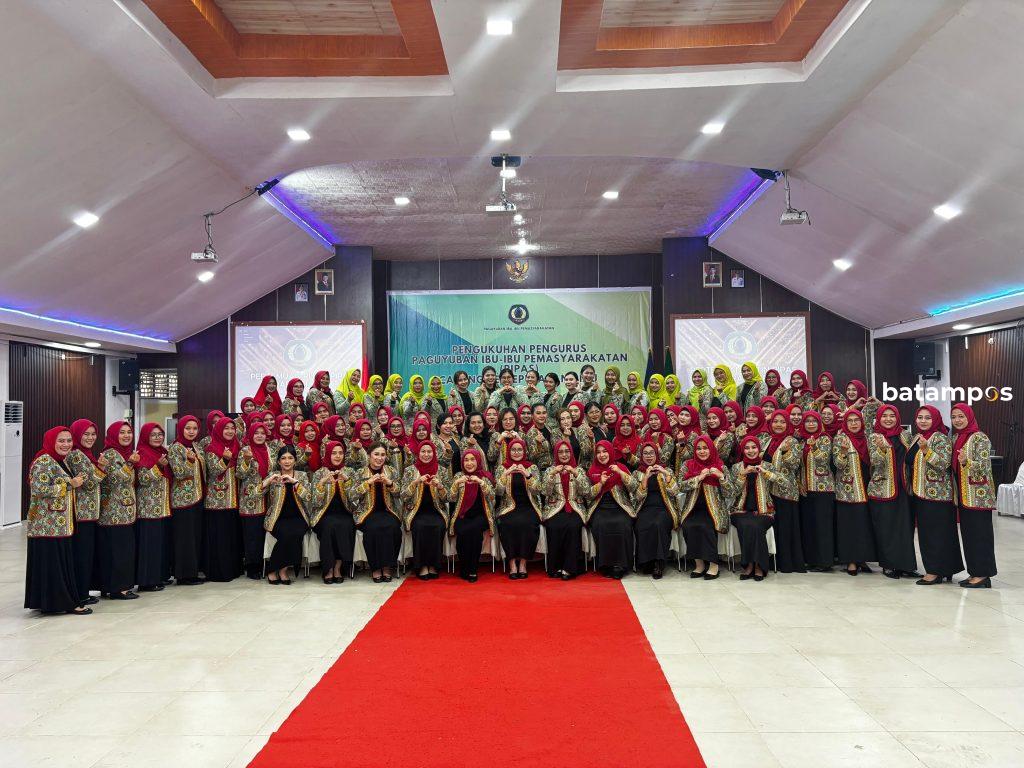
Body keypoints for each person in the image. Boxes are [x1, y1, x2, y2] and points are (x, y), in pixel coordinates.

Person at [24, 426, 92, 615]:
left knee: (58, 564)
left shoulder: (60, 460)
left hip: (58, 524)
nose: (66, 444)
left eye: (69, 440)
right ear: (51, 441)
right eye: (61, 441)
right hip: (47, 525)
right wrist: (70, 484)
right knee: (54, 564)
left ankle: (56, 602)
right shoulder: (44, 460)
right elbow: (39, 489)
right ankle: (62, 603)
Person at [904, 406, 962, 585]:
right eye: (920, 417)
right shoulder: (917, 437)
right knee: (928, 533)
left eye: (927, 418)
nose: (923, 421)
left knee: (935, 534)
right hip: (921, 493)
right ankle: (944, 569)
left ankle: (935, 571)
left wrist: (926, 450)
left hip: (938, 496)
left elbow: (944, 464)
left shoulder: (941, 438)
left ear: (935, 419)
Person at [867, 404, 919, 579]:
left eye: (892, 416)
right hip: (882, 488)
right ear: (879, 418)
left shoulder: (905, 435)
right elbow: (875, 461)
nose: (888, 419)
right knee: (886, 528)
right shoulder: (874, 436)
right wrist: (882, 449)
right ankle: (888, 565)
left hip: (904, 488)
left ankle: (906, 565)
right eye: (884, 416)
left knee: (905, 528)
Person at [950, 403, 997, 588]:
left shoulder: (979, 437)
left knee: (981, 536)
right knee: (969, 536)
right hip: (963, 496)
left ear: (969, 417)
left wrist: (966, 462)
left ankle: (983, 575)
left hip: (978, 497)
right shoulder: (956, 437)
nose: (957, 420)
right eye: (954, 417)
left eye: (961, 416)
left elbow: (984, 466)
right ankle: (974, 572)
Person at [65, 419, 106, 605]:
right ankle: (80, 593)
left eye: (93, 434)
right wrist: (101, 468)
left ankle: (84, 591)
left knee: (87, 554)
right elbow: (88, 484)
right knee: (82, 554)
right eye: (86, 434)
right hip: (82, 514)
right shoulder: (76, 455)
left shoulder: (85, 454)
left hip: (90, 513)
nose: (90, 438)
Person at [349, 443, 403, 583]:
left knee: (392, 528)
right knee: (374, 528)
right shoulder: (360, 472)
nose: (379, 458)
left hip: (389, 511)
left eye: (383, 455)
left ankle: (387, 566)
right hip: (366, 513)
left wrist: (390, 483)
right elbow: (351, 495)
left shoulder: (391, 471)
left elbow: (400, 493)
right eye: (376, 454)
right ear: (369, 455)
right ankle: (375, 568)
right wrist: (367, 483)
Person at [678, 434, 730, 579]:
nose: (702, 451)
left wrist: (722, 477)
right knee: (688, 525)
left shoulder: (720, 466)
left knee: (706, 526)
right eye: (699, 448)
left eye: (705, 448)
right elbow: (680, 486)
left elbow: (730, 492)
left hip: (714, 510)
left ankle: (713, 565)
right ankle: (699, 564)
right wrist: (698, 478)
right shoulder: (687, 465)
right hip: (692, 508)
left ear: (711, 449)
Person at [98, 421, 140, 600]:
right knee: (118, 551)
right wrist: (130, 464)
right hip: (113, 512)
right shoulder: (110, 454)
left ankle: (114, 586)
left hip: (125, 511)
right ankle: (118, 588)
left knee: (122, 550)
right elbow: (114, 479)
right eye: (122, 432)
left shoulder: (125, 453)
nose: (126, 435)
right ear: (114, 435)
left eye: (129, 432)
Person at [833, 410, 876, 575]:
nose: (853, 423)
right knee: (849, 526)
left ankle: (862, 559)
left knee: (864, 526)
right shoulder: (840, 439)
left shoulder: (867, 439)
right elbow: (837, 464)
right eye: (849, 420)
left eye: (856, 420)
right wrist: (843, 452)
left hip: (867, 488)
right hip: (848, 491)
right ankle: (851, 561)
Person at [586, 440, 636, 578]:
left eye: (605, 451)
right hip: (600, 507)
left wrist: (620, 472)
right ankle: (605, 565)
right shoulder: (592, 471)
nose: (602, 455)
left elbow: (634, 486)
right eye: (598, 452)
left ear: (610, 452)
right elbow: (588, 495)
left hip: (620, 506)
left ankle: (621, 565)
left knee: (623, 524)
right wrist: (600, 484)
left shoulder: (620, 467)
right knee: (601, 525)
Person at [632, 441, 682, 579]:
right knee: (641, 525)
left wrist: (665, 474)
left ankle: (659, 563)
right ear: (641, 456)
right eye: (645, 453)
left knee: (658, 524)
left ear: (657, 454)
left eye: (651, 453)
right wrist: (645, 478)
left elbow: (675, 491)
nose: (649, 456)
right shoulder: (637, 473)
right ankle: (646, 562)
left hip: (665, 508)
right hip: (644, 508)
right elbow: (637, 497)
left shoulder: (666, 470)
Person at [401, 441, 450, 580]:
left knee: (438, 526)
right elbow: (403, 495)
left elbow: (448, 498)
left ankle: (434, 565)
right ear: (418, 453)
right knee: (420, 526)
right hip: (415, 511)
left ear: (434, 453)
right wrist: (415, 482)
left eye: (429, 452)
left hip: (437, 511)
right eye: (423, 451)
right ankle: (421, 566)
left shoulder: (442, 470)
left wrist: (440, 486)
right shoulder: (410, 470)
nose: (426, 454)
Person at [262, 446, 311, 585]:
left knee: (296, 532)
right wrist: (268, 481)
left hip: (299, 517)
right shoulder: (273, 475)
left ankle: (278, 570)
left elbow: (308, 497)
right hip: (277, 518)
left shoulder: (301, 475)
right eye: (283, 458)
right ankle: (279, 570)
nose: (287, 461)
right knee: (286, 533)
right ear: (278, 461)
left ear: (295, 461)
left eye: (290, 458)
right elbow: (256, 494)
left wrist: (295, 483)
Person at [763, 410, 804, 573]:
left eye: (782, 422)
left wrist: (786, 452)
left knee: (786, 528)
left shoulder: (792, 441)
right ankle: (774, 561)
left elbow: (795, 464)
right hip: (770, 491)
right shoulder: (769, 440)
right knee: (775, 528)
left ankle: (787, 562)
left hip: (786, 492)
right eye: (775, 421)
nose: (778, 425)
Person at [494, 438, 542, 578]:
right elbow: (498, 492)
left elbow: (537, 490)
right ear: (509, 451)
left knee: (527, 524)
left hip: (529, 506)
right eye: (513, 450)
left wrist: (527, 475)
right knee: (508, 524)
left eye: (519, 449)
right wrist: (505, 474)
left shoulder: (531, 467)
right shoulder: (502, 467)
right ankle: (512, 564)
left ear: (524, 451)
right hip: (508, 507)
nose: (516, 452)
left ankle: (523, 563)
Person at [541, 440, 589, 579]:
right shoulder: (550, 470)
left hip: (575, 507)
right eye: (560, 452)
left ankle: (570, 568)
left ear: (571, 453)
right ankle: (556, 566)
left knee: (573, 526)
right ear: (556, 454)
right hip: (555, 508)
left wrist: (575, 473)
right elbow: (545, 491)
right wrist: (552, 474)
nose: (564, 454)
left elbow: (586, 491)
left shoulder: (579, 470)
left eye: (567, 451)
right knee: (554, 526)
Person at [730, 437, 776, 580]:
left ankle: (758, 566)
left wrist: (765, 473)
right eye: (747, 448)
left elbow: (782, 482)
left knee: (756, 526)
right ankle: (749, 565)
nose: (751, 451)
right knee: (746, 525)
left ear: (759, 449)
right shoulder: (736, 467)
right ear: (743, 450)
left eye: (754, 447)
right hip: (740, 510)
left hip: (764, 510)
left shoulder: (768, 466)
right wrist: (742, 475)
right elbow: (731, 492)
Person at [135, 423, 174, 591]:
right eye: (153, 435)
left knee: (160, 544)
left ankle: (159, 576)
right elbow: (143, 479)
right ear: (145, 437)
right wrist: (158, 466)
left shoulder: (162, 452)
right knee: (149, 545)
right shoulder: (142, 453)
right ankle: (147, 581)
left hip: (163, 507)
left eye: (160, 434)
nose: (158, 437)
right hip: (148, 509)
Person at [310, 441, 356, 583]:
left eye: (340, 453)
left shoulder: (350, 472)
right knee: (329, 526)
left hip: (345, 512)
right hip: (323, 514)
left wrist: (347, 481)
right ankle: (328, 568)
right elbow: (315, 502)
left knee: (345, 525)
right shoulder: (319, 473)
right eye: (334, 453)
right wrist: (321, 483)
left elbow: (355, 498)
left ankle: (338, 568)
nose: (337, 456)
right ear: (328, 454)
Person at [203, 417, 242, 582]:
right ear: (218, 430)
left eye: (232, 428)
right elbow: (213, 471)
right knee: (219, 538)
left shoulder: (237, 446)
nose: (230, 431)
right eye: (226, 428)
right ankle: (219, 572)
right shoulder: (211, 448)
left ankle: (233, 569)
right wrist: (225, 459)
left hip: (234, 501)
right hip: (217, 503)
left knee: (231, 537)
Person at [167, 415, 205, 585]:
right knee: (185, 539)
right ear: (181, 429)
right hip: (182, 501)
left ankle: (193, 572)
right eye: (188, 428)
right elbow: (179, 473)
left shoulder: (195, 446)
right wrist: (189, 461)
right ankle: (184, 575)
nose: (191, 431)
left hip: (197, 497)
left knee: (194, 537)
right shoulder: (176, 448)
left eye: (194, 428)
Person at [797, 411, 836, 572]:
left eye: (814, 421)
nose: (811, 424)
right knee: (809, 526)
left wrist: (814, 447)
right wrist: (800, 482)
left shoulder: (825, 439)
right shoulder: (801, 441)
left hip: (823, 489)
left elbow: (824, 459)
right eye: (808, 421)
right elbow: (799, 465)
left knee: (823, 527)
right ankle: (811, 559)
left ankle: (825, 561)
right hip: (806, 490)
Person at [449, 449, 496, 582]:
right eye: (466, 460)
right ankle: (464, 567)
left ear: (478, 461)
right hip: (461, 515)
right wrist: (456, 483)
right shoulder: (458, 476)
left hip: (481, 515)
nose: (469, 463)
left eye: (472, 460)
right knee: (463, 532)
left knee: (474, 531)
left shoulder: (484, 476)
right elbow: (451, 498)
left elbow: (492, 497)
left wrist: (481, 483)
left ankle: (473, 569)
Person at [237, 419, 273, 580]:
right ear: (251, 434)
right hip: (250, 500)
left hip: (267, 498)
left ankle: (264, 565)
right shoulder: (245, 450)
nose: (259, 436)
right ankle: (253, 567)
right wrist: (246, 461)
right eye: (256, 433)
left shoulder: (269, 449)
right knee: (252, 536)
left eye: (262, 433)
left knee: (264, 534)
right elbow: (240, 474)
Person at [525, 403, 554, 470]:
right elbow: (531, 457)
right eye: (538, 413)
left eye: (544, 413)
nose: (542, 416)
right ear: (532, 415)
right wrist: (538, 445)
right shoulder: (531, 433)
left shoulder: (549, 428)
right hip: (540, 470)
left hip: (553, 468)